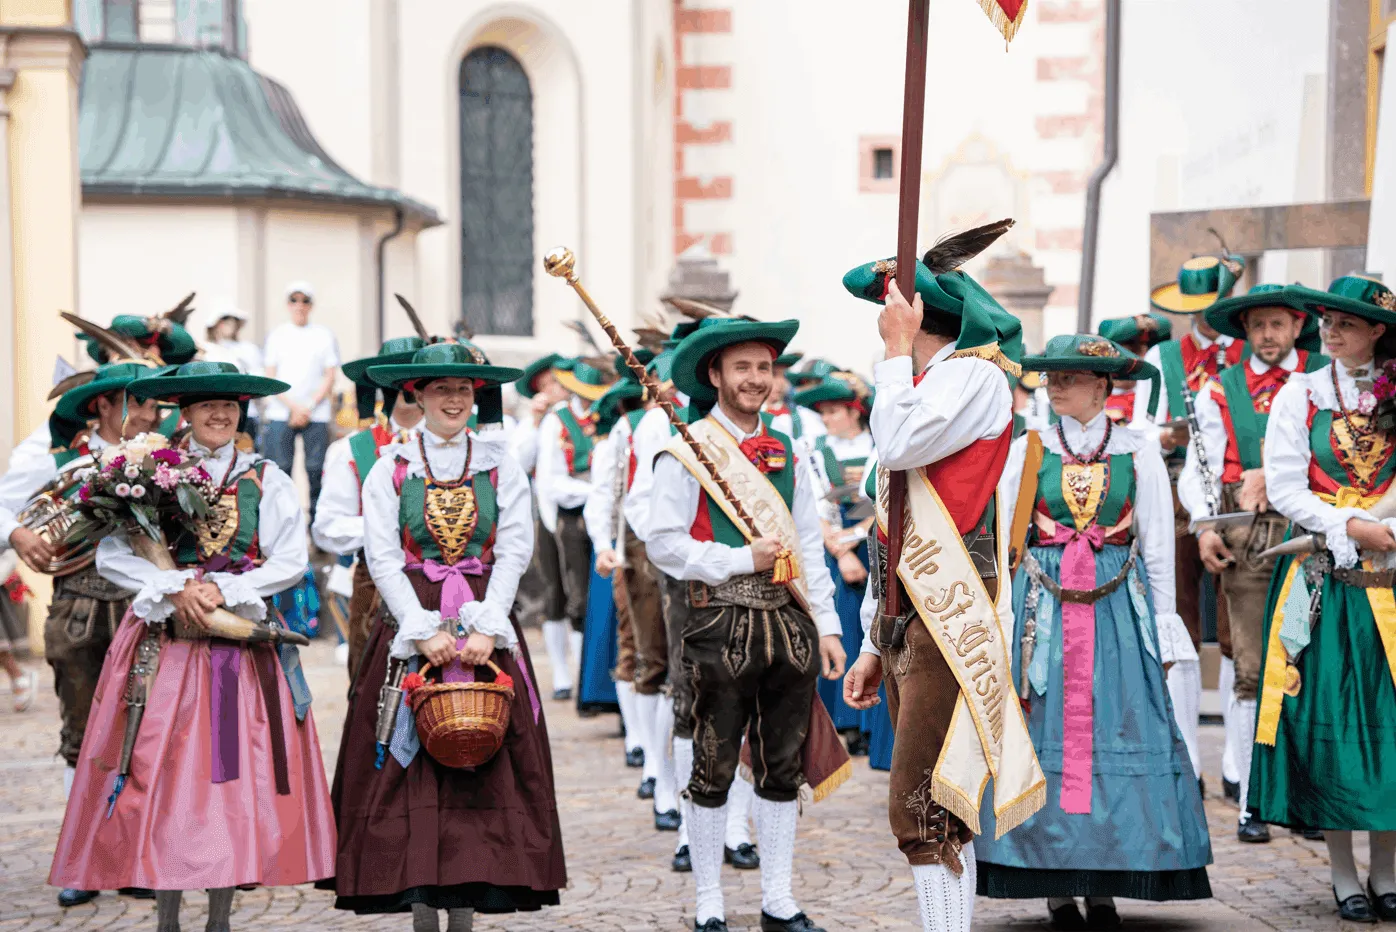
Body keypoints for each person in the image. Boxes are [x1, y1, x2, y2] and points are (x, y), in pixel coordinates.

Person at [48, 360, 336, 931]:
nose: (220, 413)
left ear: (242, 411)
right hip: (164, 647)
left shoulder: (265, 478)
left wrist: (225, 587)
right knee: (161, 772)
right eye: (207, 403)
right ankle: (168, 919)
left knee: (229, 780)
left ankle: (221, 918)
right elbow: (112, 556)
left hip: (242, 654)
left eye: (229, 404)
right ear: (186, 410)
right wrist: (173, 585)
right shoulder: (149, 471)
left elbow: (289, 560)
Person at [840, 241, 1046, 932]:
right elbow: (888, 523)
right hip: (909, 610)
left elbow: (896, 447)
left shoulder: (973, 378)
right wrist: (873, 636)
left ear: (919, 309)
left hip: (948, 606)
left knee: (924, 803)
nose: (883, 316)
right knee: (937, 798)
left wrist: (893, 356)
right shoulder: (922, 384)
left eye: (892, 305)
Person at [325, 341, 566, 926]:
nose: (454, 399)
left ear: (475, 396)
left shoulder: (499, 463)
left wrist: (490, 625)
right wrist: (419, 629)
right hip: (414, 621)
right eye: (441, 389)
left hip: (485, 616)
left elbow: (514, 549)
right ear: (418, 395)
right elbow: (382, 557)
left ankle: (469, 906)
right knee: (411, 759)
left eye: (463, 389)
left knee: (483, 749)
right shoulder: (392, 467)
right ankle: (422, 912)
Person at [975, 334, 1212, 928]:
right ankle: (1054, 884)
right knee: (1045, 727)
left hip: (1117, 614)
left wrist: (1163, 629)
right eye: (1051, 376)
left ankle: (1103, 884)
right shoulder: (1027, 451)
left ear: (1104, 386)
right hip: (1043, 614)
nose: (1056, 385)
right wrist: (1004, 624)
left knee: (1118, 724)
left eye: (1070, 376)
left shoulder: (1138, 451)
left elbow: (1156, 548)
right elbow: (1006, 545)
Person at [649, 316, 849, 932]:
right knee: (712, 758)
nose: (756, 380)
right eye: (742, 368)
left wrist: (829, 626)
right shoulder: (688, 447)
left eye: (764, 368)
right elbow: (662, 541)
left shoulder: (789, 448)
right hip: (718, 620)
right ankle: (709, 899)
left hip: (787, 623)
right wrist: (739, 558)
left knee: (781, 762)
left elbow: (809, 546)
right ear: (715, 375)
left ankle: (777, 898)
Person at [1249, 275, 1396, 923]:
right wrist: (1349, 528)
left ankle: (1388, 871)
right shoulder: (1300, 393)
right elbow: (1284, 485)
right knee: (1333, 724)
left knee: (1391, 726)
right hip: (1327, 583)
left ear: (1378, 332)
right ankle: (1343, 873)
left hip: (1392, 574)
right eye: (1326, 322)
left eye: (1345, 324)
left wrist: (1387, 528)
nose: (1328, 333)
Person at [0, 361, 168, 907]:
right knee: (81, 734)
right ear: (101, 405)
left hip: (147, 610)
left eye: (152, 404)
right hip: (79, 606)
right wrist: (18, 532)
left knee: (145, 731)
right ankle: (84, 858)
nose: (151, 413)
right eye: (139, 403)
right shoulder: (55, 459)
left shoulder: (164, 455)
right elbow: (5, 508)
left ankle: (137, 854)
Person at [1178, 284, 1325, 845]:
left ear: (1295, 327)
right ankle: (1250, 799)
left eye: (1277, 325)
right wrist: (1206, 523)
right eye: (1257, 326)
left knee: (1313, 666)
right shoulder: (1223, 387)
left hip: (1314, 531)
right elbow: (1201, 466)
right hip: (1252, 533)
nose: (1267, 335)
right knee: (1251, 668)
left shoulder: (1323, 380)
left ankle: (1312, 796)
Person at [626, 333, 761, 874]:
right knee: (692, 702)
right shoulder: (662, 424)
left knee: (748, 701)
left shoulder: (773, 433)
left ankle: (736, 826)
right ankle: (689, 826)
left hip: (758, 583)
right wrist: (696, 555)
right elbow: (642, 506)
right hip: (690, 583)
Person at [1132, 254, 1248, 793]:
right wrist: (1166, 437)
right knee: (1178, 623)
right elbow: (1139, 431)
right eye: (1195, 310)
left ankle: (1239, 763)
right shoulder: (1161, 357)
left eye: (1210, 307)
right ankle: (1187, 759)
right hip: (1173, 496)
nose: (1203, 318)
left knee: (1235, 630)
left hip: (1237, 495)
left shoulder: (1247, 356)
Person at [313, 336, 428, 681]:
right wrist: (384, 528)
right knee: (373, 687)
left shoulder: (466, 446)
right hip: (376, 587)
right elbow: (328, 527)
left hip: (449, 584)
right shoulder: (352, 448)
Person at [583, 358, 665, 787]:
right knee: (638, 647)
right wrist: (604, 545)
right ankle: (646, 751)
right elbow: (606, 490)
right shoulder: (629, 426)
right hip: (635, 547)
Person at [794, 372, 875, 754]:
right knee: (839, 630)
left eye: (832, 411)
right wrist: (842, 553)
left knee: (872, 634)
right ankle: (840, 719)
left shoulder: (880, 446)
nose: (825, 419)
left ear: (853, 411)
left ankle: (871, 720)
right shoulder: (816, 449)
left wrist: (859, 538)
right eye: (823, 412)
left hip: (876, 546)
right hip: (834, 551)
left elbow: (886, 502)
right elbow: (816, 508)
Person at [534, 359, 610, 700]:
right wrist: (593, 490)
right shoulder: (557, 421)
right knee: (572, 596)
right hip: (572, 514)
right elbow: (551, 481)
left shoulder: (606, 416)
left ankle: (592, 675)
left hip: (605, 514)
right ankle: (573, 676)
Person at [261, 281, 341, 525]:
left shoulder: (323, 335)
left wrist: (308, 406)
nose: (299, 305)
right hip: (281, 410)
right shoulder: (277, 335)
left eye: (304, 300)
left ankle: (317, 527)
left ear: (311, 305)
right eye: (294, 300)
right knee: (280, 469)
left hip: (315, 413)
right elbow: (270, 374)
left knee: (316, 470)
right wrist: (293, 407)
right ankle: (281, 524)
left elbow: (330, 374)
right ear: (288, 304)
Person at [1096, 314, 1171, 424]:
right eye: (1132, 351)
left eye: (1148, 350)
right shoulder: (1092, 401)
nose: (1142, 358)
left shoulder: (1163, 396)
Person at [763, 351, 826, 458]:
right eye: (773, 374)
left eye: (784, 375)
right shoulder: (744, 414)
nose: (781, 381)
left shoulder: (805, 417)